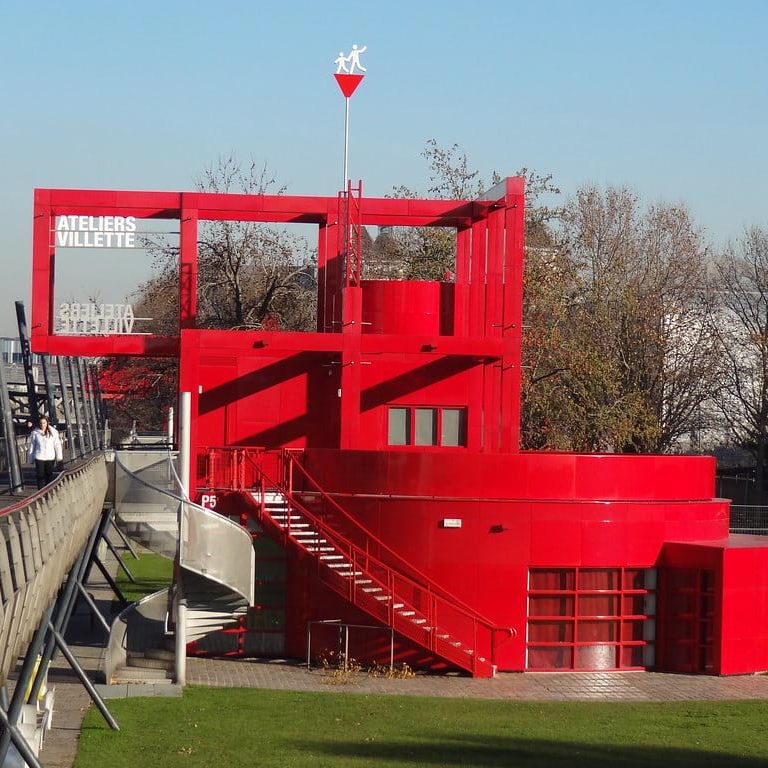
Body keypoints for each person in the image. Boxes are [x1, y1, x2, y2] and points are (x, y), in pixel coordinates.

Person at [27, 416, 63, 490]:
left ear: (47, 423)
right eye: (41, 423)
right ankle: (40, 493)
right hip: (39, 456)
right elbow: (32, 446)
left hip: (50, 457)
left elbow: (57, 445)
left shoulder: (53, 432)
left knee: (49, 475)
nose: (42, 425)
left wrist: (59, 457)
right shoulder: (35, 433)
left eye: (44, 423)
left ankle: (48, 491)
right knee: (40, 476)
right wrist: (30, 458)